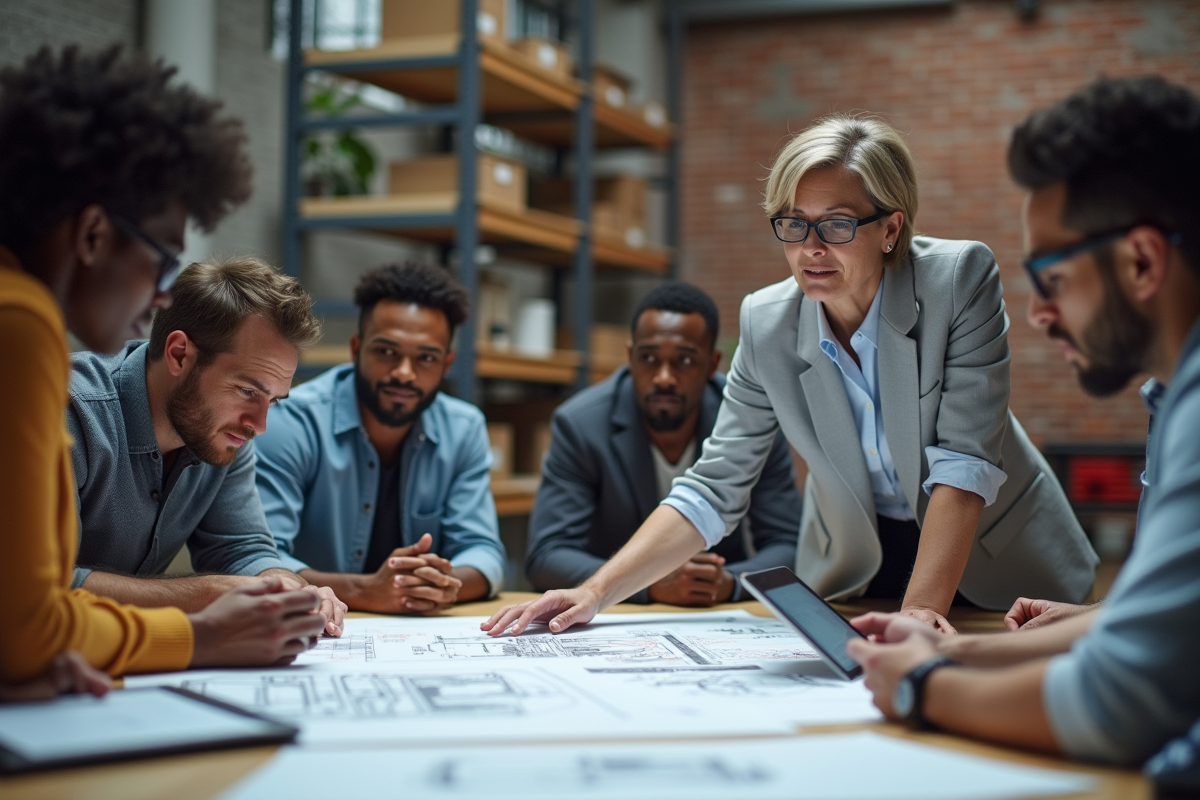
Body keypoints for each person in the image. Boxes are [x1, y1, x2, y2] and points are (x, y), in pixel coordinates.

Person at [482, 113, 1097, 638]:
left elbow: (963, 466)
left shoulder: (959, 279)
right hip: (861, 561)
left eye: (835, 225)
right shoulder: (768, 320)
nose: (810, 248)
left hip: (992, 557)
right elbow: (714, 486)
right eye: (793, 223)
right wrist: (597, 591)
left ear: (891, 228)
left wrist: (920, 615)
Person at [847, 75, 1200, 766]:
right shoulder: (1170, 393)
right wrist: (959, 649)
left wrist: (924, 685)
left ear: (1141, 261)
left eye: (1052, 280)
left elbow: (1122, 701)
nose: (1039, 313)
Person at [0, 44, 328, 687]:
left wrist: (270, 581)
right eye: (159, 260)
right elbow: (24, 626)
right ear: (94, 234)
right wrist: (200, 632)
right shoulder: (22, 324)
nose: (158, 293)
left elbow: (25, 619)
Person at [69, 256, 347, 636]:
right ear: (179, 354)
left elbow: (241, 549)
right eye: (247, 390)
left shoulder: (226, 430)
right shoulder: (69, 413)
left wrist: (285, 586)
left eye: (273, 400)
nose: (259, 426)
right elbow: (37, 588)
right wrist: (210, 593)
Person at [525, 282, 801, 605]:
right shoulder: (581, 425)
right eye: (649, 358)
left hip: (717, 613)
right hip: (619, 616)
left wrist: (731, 583)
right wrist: (645, 585)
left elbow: (790, 544)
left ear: (712, 364)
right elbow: (546, 555)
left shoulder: (750, 420)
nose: (664, 377)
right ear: (630, 356)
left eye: (683, 361)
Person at [255, 262, 506, 614]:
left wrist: (439, 586)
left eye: (426, 358)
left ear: (446, 365)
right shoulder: (289, 420)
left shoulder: (463, 429)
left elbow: (483, 550)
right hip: (316, 626)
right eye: (387, 352)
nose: (404, 373)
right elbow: (260, 558)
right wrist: (364, 590)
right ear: (356, 349)